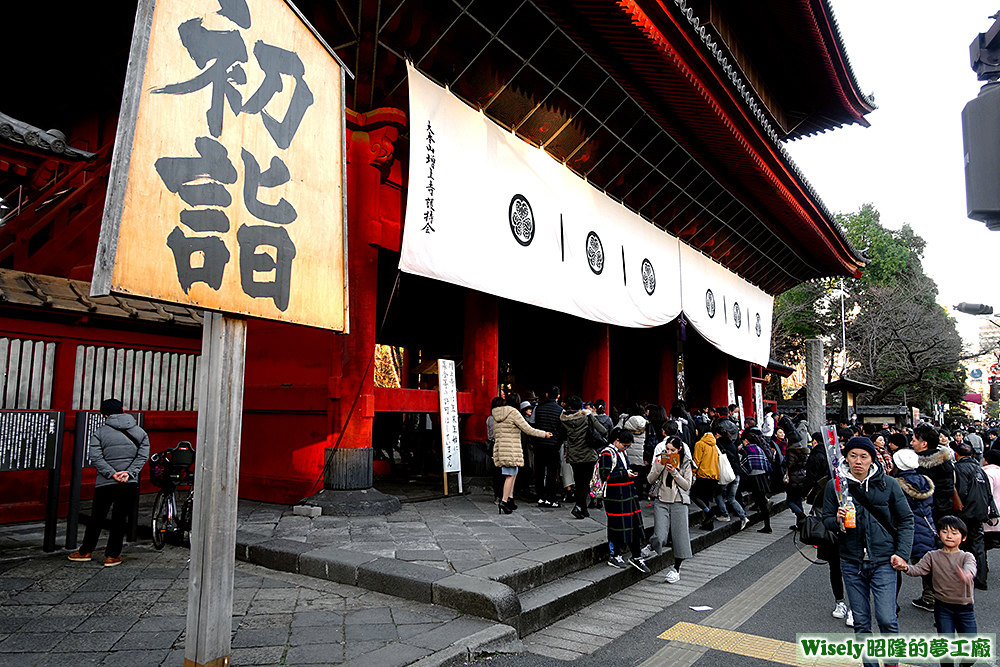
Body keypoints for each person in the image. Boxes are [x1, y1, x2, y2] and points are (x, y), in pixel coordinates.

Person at [822, 437, 914, 667]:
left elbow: (906, 519)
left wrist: (902, 553)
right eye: (853, 455)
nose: (858, 461)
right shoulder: (835, 485)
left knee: (887, 618)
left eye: (864, 456)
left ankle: (891, 663)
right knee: (861, 622)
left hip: (884, 560)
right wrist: (836, 520)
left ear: (872, 458)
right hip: (851, 561)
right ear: (846, 457)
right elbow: (825, 520)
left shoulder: (889, 484)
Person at [68, 399, 150, 567]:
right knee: (120, 518)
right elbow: (142, 456)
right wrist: (129, 473)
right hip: (129, 481)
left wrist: (112, 474)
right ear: (123, 410)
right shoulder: (140, 432)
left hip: (105, 482)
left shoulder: (100, 432)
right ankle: (112, 556)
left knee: (96, 517)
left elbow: (96, 457)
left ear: (104, 415)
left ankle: (85, 551)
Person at [892, 516, 978, 666]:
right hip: (943, 607)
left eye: (955, 533)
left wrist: (967, 575)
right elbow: (917, 569)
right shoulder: (932, 556)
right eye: (945, 531)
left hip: (965, 609)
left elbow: (971, 569)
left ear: (963, 537)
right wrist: (904, 567)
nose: (949, 536)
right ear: (938, 534)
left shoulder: (966, 556)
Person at [597, 429, 651, 573]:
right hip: (615, 496)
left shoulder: (621, 452)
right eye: (625, 445)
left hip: (627, 493)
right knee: (616, 525)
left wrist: (628, 473)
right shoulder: (607, 453)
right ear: (616, 440)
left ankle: (636, 555)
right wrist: (624, 473)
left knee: (633, 524)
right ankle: (614, 554)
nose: (626, 448)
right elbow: (605, 475)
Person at [891, 448, 936, 612]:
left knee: (896, 566)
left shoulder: (896, 484)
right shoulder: (925, 482)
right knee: (927, 566)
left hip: (905, 529)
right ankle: (931, 597)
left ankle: (891, 602)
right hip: (926, 527)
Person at [492, 393, 551, 514]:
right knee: (510, 475)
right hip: (511, 448)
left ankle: (510, 499)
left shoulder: (497, 413)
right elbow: (528, 429)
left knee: (512, 473)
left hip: (501, 447)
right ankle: (504, 501)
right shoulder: (514, 413)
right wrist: (544, 434)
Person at [647, 435, 693, 582]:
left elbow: (687, 485)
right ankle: (651, 545)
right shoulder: (661, 458)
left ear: (679, 449)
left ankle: (676, 569)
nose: (669, 452)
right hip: (661, 499)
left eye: (672, 450)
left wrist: (674, 471)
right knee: (660, 535)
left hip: (679, 501)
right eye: (667, 449)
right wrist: (659, 467)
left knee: (680, 537)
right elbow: (649, 479)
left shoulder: (686, 462)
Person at [561, 396, 606, 519]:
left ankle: (583, 509)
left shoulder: (564, 419)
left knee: (579, 481)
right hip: (588, 453)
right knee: (587, 481)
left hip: (573, 454)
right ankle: (579, 506)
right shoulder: (587, 416)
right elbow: (602, 430)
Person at [953, 442, 990, 590]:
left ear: (957, 454)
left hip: (965, 511)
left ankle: (960, 576)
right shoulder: (979, 469)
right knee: (978, 544)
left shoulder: (959, 468)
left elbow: (961, 492)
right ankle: (981, 578)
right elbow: (988, 492)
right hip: (980, 511)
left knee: (960, 544)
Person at [532, 386, 565, 508]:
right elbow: (562, 429)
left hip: (539, 444)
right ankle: (551, 498)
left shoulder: (537, 408)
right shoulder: (561, 410)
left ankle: (540, 496)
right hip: (553, 445)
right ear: (558, 396)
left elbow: (532, 425)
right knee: (552, 472)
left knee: (539, 471)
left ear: (546, 395)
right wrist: (558, 441)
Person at [738, 431, 773, 533]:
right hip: (763, 476)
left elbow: (744, 464)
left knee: (761, 502)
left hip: (754, 477)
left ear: (746, 440)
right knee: (761, 501)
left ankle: (767, 526)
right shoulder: (758, 448)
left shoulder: (747, 449)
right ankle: (767, 525)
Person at [692, 428, 722, 531]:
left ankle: (709, 513)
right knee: (706, 498)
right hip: (714, 475)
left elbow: (696, 460)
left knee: (694, 495)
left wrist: (692, 473)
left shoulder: (700, 444)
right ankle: (709, 524)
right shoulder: (714, 445)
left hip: (703, 474)